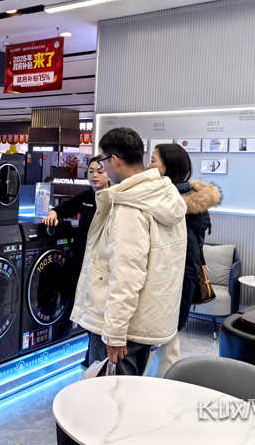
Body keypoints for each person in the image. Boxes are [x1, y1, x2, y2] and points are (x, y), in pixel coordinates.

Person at [71, 127, 187, 376]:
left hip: (122, 330)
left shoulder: (129, 206)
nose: (102, 168)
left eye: (103, 161)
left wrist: (114, 333)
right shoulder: (166, 196)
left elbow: (126, 276)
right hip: (147, 320)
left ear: (114, 160)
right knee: (130, 392)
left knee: (106, 394)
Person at [145, 143, 222, 377]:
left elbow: (189, 263)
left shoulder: (177, 209)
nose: (148, 165)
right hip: (168, 293)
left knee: (161, 347)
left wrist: (178, 311)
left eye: (153, 161)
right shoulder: (177, 200)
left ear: (169, 166)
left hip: (169, 293)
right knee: (167, 349)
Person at [42, 156, 111, 252]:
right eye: (91, 171)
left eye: (100, 172)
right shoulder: (83, 197)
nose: (94, 175)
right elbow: (61, 209)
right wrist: (52, 214)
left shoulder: (115, 198)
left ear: (110, 175)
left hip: (106, 253)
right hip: (84, 252)